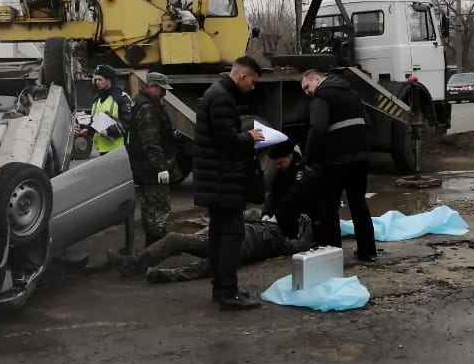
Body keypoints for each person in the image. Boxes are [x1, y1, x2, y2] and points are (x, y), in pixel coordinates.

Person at [193, 55, 264, 310]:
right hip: (222, 180)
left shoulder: (217, 93)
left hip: (217, 180)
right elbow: (226, 140)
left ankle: (222, 288)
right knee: (233, 234)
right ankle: (227, 292)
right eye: (252, 82)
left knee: (220, 234)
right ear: (242, 76)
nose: (252, 88)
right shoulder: (222, 97)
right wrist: (249, 136)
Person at [106, 210, 311, 283]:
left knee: (202, 268)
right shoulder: (257, 217)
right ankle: (134, 263)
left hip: (235, 252)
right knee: (174, 238)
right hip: (221, 240)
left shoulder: (280, 242)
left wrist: (307, 226)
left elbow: (302, 245)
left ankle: (162, 275)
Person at [301, 69, 377, 262]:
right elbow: (368, 121)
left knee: (329, 207)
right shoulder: (352, 94)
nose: (307, 92)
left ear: (316, 79)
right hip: (360, 158)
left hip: (336, 160)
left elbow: (317, 130)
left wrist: (309, 160)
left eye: (307, 87)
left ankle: (332, 254)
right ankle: (368, 251)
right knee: (358, 204)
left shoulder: (321, 97)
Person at [128, 70, 179, 246]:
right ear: (151, 86)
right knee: (157, 208)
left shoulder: (150, 103)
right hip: (150, 169)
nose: (164, 93)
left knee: (154, 207)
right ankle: (155, 249)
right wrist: (161, 167)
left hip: (147, 166)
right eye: (161, 89)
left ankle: (159, 244)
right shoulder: (147, 108)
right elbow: (150, 142)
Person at [261, 140, 322, 241]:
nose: (277, 167)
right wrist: (266, 213)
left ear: (290, 156)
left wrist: (277, 216)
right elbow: (274, 193)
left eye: (280, 163)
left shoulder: (304, 168)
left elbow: (295, 194)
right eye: (275, 164)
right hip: (293, 215)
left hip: (313, 214)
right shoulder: (282, 171)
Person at [87, 64, 128, 156]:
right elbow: (95, 121)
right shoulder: (97, 99)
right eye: (95, 79)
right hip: (102, 149)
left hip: (119, 149)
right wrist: (87, 130)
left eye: (100, 79)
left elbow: (128, 122)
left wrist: (109, 131)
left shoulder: (121, 98)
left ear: (109, 80)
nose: (96, 82)